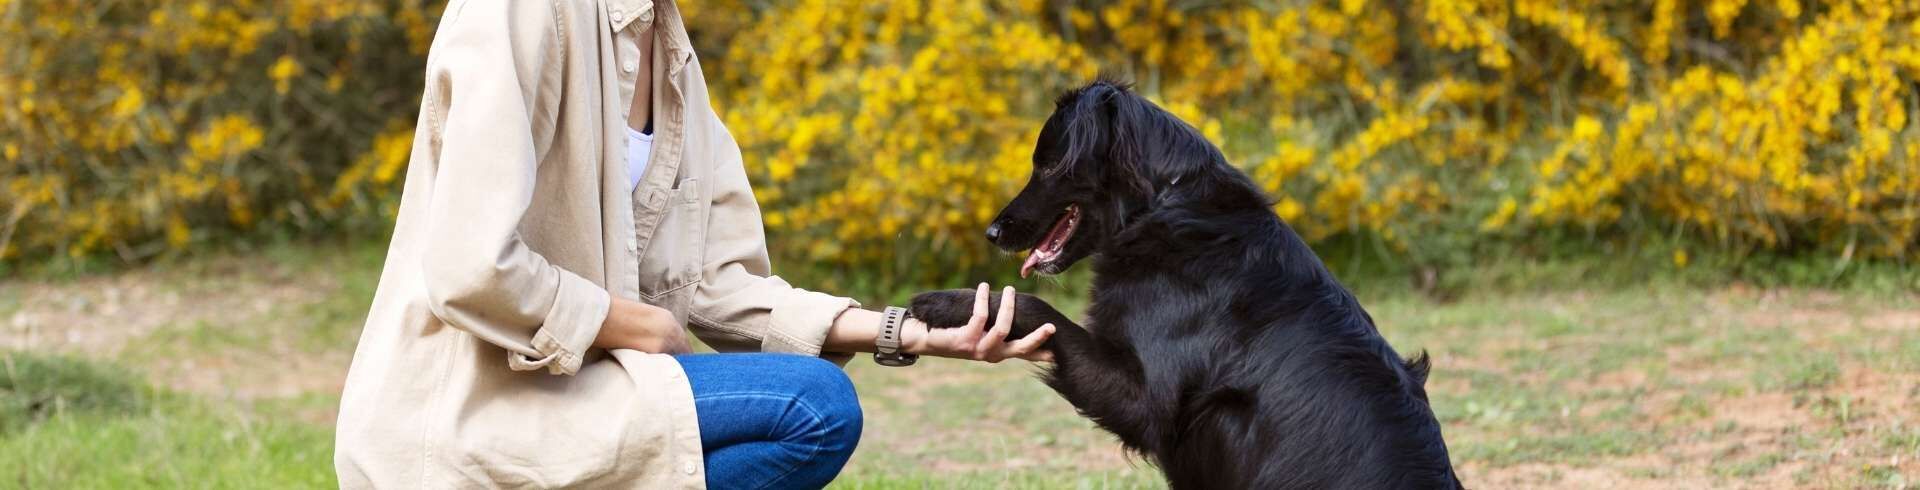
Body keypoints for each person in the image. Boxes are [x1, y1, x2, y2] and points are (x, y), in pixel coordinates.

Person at [331, 0, 1055, 488]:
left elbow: (710, 283)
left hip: (579, 392)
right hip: (469, 414)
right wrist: (626, 322)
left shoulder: (672, 56)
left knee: (816, 410)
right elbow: (467, 263)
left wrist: (913, 333)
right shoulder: (518, 11)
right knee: (814, 407)